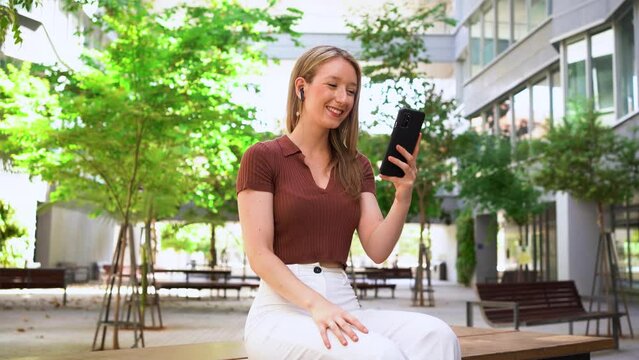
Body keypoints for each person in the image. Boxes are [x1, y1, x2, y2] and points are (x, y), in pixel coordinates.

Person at [236, 45, 460, 360]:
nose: (343, 98)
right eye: (333, 85)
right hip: (281, 312)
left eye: (351, 90)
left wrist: (404, 193)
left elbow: (378, 249)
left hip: (343, 305)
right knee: (377, 353)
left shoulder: (357, 165)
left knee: (437, 336)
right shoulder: (264, 157)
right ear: (302, 87)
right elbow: (259, 254)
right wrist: (316, 304)